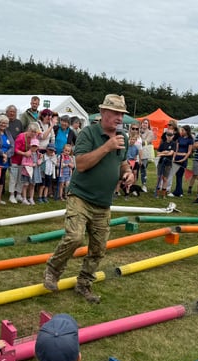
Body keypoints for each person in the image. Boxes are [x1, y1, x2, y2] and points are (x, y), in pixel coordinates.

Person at [43, 94, 133, 303]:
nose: (119, 118)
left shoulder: (123, 138)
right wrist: (107, 147)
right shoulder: (87, 134)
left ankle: (84, 284)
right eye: (115, 113)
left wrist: (128, 173)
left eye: (122, 114)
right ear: (102, 113)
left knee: (99, 248)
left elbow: (122, 162)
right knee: (75, 237)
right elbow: (81, 164)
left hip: (103, 202)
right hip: (81, 196)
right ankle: (53, 270)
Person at [8, 122, 40, 204]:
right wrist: (24, 154)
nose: (33, 133)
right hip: (16, 160)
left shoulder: (34, 138)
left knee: (21, 178)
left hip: (25, 162)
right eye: (32, 131)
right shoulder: (21, 136)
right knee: (13, 178)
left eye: (35, 132)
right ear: (28, 130)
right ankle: (11, 195)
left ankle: (18, 194)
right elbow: (15, 149)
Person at [169, 125, 193, 197]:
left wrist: (184, 159)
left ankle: (178, 191)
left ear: (187, 131)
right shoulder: (179, 138)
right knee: (177, 175)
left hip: (183, 157)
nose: (181, 132)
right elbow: (176, 149)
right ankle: (179, 191)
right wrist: (174, 157)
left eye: (183, 130)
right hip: (177, 157)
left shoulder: (190, 140)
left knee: (180, 174)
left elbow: (189, 151)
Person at [154, 126, 176, 198]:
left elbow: (171, 153)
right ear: (166, 136)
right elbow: (158, 153)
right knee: (159, 177)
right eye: (168, 135)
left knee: (165, 178)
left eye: (171, 136)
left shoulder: (173, 144)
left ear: (173, 136)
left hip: (168, 163)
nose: (169, 137)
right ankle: (157, 192)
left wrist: (162, 153)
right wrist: (165, 152)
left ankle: (163, 193)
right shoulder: (162, 143)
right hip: (161, 162)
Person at [20, 138, 42, 205]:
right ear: (30, 146)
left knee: (32, 185)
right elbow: (23, 163)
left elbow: (39, 161)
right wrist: (31, 165)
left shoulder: (38, 154)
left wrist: (39, 162)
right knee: (26, 185)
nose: (34, 148)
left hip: (34, 172)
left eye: (36, 146)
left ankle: (31, 198)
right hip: (27, 172)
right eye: (33, 146)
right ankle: (24, 198)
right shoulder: (28, 153)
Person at [139, 118, 155, 192]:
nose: (144, 124)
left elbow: (147, 141)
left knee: (143, 169)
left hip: (145, 153)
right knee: (134, 169)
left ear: (148, 125)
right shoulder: (137, 130)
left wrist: (138, 139)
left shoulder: (150, 132)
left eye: (146, 123)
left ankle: (144, 185)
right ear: (141, 123)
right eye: (143, 123)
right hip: (136, 151)